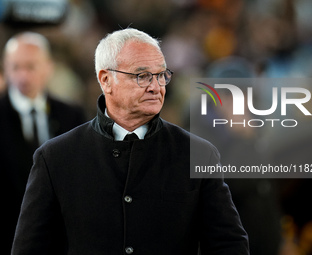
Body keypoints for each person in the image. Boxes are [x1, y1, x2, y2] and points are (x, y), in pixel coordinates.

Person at [11, 28, 249, 254]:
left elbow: (228, 245)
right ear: (105, 80)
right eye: (143, 76)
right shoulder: (55, 158)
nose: (156, 87)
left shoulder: (198, 153)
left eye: (162, 75)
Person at [0, 32, 86, 254]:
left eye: (30, 66)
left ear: (48, 67)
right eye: (15, 67)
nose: (22, 76)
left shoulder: (72, 116)